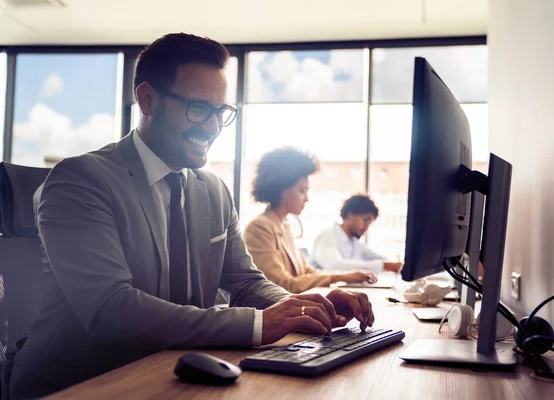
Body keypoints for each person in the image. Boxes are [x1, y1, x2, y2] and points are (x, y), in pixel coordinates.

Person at [9, 33, 374, 399]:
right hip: (79, 384)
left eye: (221, 112)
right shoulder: (81, 180)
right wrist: (260, 323)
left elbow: (245, 282)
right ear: (147, 99)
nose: (213, 127)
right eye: (198, 109)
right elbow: (111, 308)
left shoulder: (214, 191)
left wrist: (306, 309)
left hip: (172, 374)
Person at [243, 148, 376, 294]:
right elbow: (283, 284)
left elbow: (305, 271)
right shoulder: (260, 227)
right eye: (302, 191)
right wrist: (339, 276)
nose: (306, 199)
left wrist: (347, 276)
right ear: (282, 190)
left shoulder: (284, 226)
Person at [312, 194, 403, 273]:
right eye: (366, 220)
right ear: (350, 214)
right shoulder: (327, 237)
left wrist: (394, 265)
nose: (367, 227)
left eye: (370, 223)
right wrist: (384, 266)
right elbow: (334, 266)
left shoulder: (355, 243)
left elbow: (382, 260)